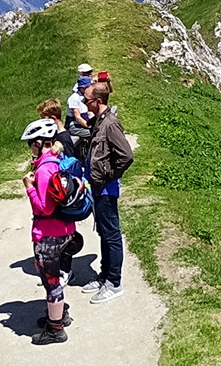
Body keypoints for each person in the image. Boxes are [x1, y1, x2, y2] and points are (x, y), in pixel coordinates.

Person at [22, 118, 82, 345]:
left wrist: (29, 188)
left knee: (51, 280)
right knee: (53, 277)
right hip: (65, 230)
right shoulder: (56, 162)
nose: (30, 148)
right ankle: (59, 314)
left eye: (31, 144)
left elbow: (45, 208)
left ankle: (55, 330)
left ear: (39, 143)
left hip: (49, 233)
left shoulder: (44, 170)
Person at [78, 79, 133, 304]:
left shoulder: (110, 123)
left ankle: (114, 283)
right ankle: (104, 276)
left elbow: (126, 155)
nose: (83, 103)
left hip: (107, 188)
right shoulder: (99, 121)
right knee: (103, 232)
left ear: (97, 101)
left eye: (86, 100)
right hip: (98, 187)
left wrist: (109, 174)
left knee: (111, 234)